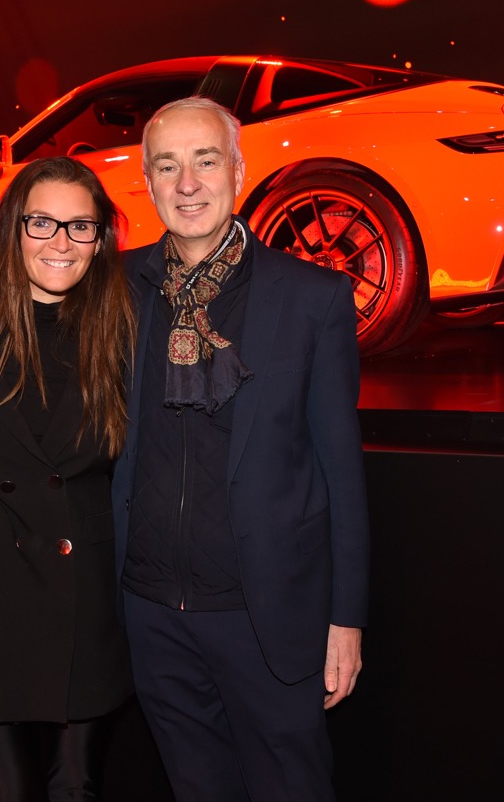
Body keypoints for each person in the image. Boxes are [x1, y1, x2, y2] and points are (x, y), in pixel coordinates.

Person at [110, 96, 371, 801]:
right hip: (152, 614)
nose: (188, 183)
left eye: (205, 160)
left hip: (269, 617)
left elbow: (341, 470)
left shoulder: (313, 297)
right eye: (168, 166)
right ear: (148, 181)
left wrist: (346, 617)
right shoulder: (117, 288)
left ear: (238, 169)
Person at [0, 156, 136, 800]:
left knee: (76, 788)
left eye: (80, 226)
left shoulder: (123, 330)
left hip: (84, 605)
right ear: (12, 227)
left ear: (100, 239)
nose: (60, 242)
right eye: (41, 222)